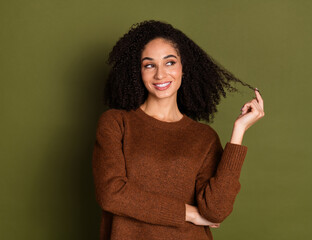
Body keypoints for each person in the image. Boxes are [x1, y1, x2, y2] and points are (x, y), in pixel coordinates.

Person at [92, 20, 265, 240]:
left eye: (170, 62)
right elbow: (111, 194)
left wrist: (238, 132)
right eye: (149, 65)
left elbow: (215, 211)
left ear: (184, 68)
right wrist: (188, 213)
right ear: (138, 72)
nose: (160, 74)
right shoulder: (116, 123)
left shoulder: (204, 137)